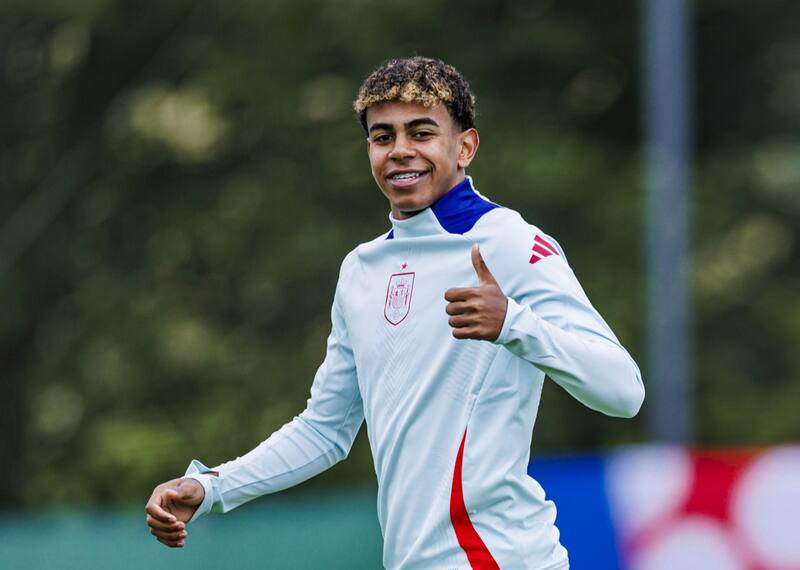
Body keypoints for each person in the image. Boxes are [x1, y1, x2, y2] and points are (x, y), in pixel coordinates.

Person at [145, 57, 644, 569]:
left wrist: (514, 324)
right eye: (383, 136)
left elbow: (623, 391)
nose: (401, 149)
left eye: (422, 132)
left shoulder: (510, 242)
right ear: (369, 151)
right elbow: (325, 430)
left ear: (465, 146)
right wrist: (213, 487)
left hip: (497, 558)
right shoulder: (360, 269)